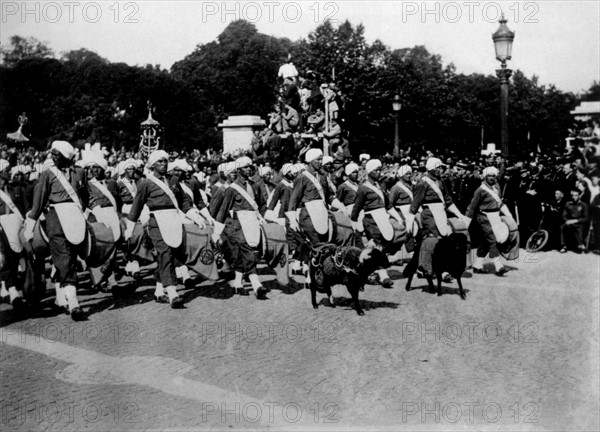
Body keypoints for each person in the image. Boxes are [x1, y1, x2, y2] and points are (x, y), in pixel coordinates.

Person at [24, 141, 88, 321]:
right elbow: (38, 204)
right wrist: (30, 227)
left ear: (66, 157)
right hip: (55, 218)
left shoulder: (80, 172)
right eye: (52, 153)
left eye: (57, 154)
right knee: (63, 257)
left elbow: (85, 197)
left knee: (72, 257)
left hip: (75, 217)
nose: (53, 157)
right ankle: (74, 302)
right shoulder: (47, 174)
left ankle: (64, 295)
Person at [124, 150, 192, 308]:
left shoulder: (174, 180)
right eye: (160, 162)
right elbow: (136, 207)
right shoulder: (146, 183)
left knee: (171, 254)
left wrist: (196, 217)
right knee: (165, 253)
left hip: (173, 220)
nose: (163, 164)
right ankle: (172, 292)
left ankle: (159, 290)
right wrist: (130, 229)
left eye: (165, 161)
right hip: (156, 222)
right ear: (153, 164)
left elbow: (184, 203)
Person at [213, 156, 267, 299]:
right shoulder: (232, 189)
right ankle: (256, 285)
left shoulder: (255, 185)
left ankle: (237, 284)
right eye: (245, 167)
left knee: (241, 255)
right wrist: (217, 232)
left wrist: (262, 217)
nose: (249, 169)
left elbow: (262, 204)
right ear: (238, 170)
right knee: (248, 250)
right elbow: (223, 210)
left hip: (253, 222)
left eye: (250, 166)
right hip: (237, 225)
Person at [350, 159, 403, 287]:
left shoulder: (380, 186)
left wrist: (398, 217)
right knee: (378, 245)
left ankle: (368, 271)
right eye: (376, 170)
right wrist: (354, 223)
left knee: (383, 244)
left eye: (380, 170)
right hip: (371, 219)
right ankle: (383, 275)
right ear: (369, 172)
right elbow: (357, 208)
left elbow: (388, 205)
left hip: (382, 217)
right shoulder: (363, 188)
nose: (379, 173)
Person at [465, 166, 516, 276]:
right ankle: (499, 267)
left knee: (485, 242)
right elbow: (472, 207)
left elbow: (500, 203)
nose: (491, 178)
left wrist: (509, 215)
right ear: (484, 176)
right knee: (492, 239)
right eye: (489, 176)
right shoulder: (480, 190)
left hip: (495, 216)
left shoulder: (497, 187)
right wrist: (465, 222)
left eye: (493, 176)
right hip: (483, 217)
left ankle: (477, 265)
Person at [0, 159, 29, 311]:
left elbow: (23, 207)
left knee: (16, 257)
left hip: (15, 227)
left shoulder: (14, 189)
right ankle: (11, 292)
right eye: (7, 170)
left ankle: (14, 290)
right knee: (5, 258)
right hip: (1, 227)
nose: (9, 172)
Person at [560, 188, 589, 253]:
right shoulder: (568, 204)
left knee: (579, 228)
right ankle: (564, 246)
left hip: (579, 223)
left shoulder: (583, 205)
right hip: (569, 222)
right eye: (572, 195)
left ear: (579, 196)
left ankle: (580, 244)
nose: (574, 197)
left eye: (576, 195)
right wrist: (567, 221)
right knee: (563, 227)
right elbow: (564, 215)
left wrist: (576, 221)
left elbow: (586, 218)